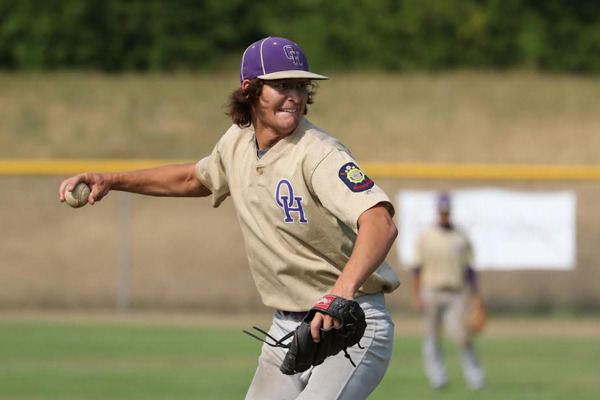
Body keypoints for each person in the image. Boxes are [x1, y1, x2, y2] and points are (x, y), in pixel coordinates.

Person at [59, 36, 400, 400]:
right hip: (288, 326)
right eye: (282, 85)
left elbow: (380, 221)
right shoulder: (236, 141)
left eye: (301, 86)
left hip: (351, 321)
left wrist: (340, 293)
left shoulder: (318, 153)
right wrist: (112, 180)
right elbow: (195, 179)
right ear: (249, 89)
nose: (296, 96)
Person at [410, 193, 485, 390]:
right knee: (432, 337)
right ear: (437, 212)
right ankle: (438, 378)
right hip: (432, 290)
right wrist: (416, 294)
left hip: (456, 292)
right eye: (441, 211)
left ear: (450, 211)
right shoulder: (426, 236)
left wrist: (476, 296)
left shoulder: (460, 236)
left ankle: (475, 378)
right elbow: (416, 269)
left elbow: (470, 269)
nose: (444, 215)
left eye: (447, 211)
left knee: (463, 337)